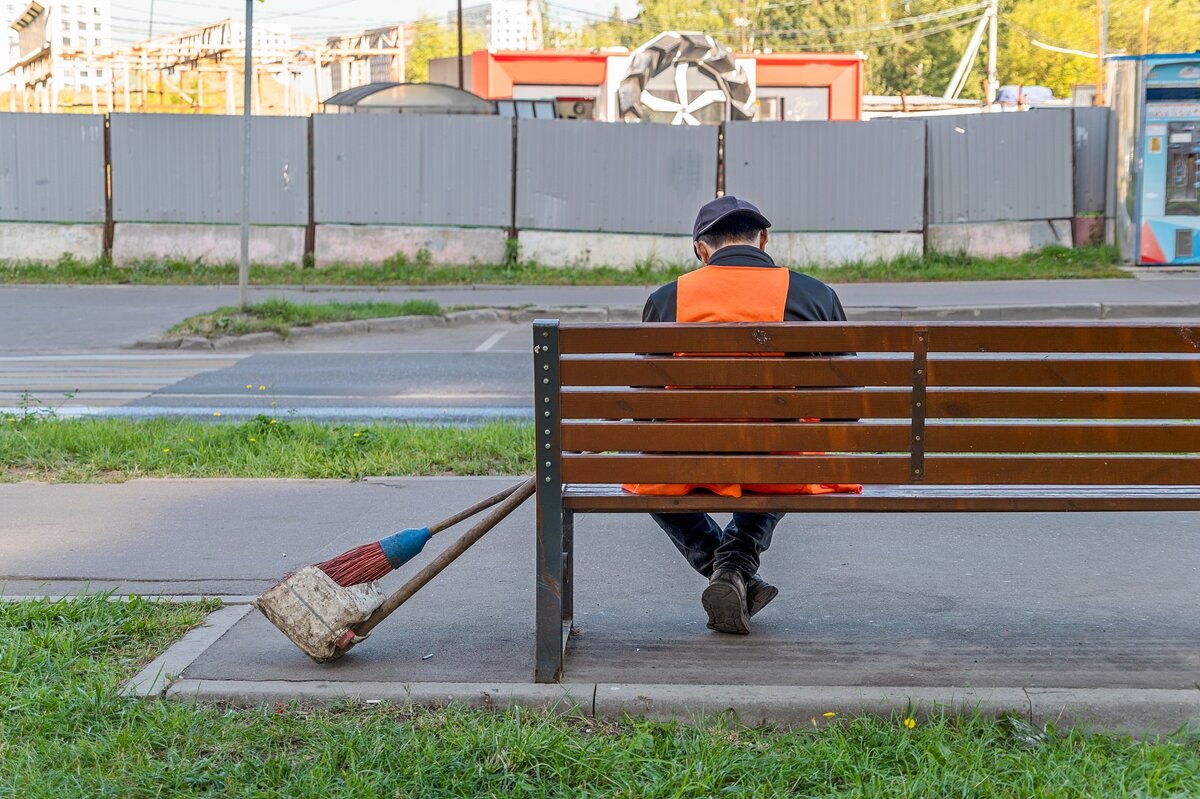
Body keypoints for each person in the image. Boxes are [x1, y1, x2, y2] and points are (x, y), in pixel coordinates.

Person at [622, 195, 861, 635]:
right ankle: (734, 566)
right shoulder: (815, 294)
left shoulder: (666, 299)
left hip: (690, 463)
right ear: (763, 240)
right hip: (784, 465)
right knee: (788, 455)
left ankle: (728, 569)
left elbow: (644, 407)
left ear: (701, 249)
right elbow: (846, 407)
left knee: (648, 473)